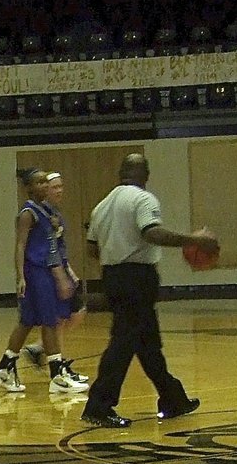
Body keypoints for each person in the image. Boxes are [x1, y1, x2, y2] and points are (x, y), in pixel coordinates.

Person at [82, 153, 218, 427]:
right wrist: (194, 240)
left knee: (148, 344)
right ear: (145, 175)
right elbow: (151, 233)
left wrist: (117, 252)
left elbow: (92, 249)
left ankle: (173, 398)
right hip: (137, 278)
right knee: (123, 342)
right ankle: (98, 406)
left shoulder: (102, 205)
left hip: (113, 274)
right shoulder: (143, 199)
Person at [0, 168, 85, 394]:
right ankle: (57, 375)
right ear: (29, 188)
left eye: (45, 182)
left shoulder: (47, 210)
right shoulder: (28, 213)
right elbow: (20, 245)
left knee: (27, 321)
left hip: (45, 271)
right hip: (37, 272)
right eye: (39, 182)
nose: (44, 186)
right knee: (50, 321)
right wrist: (20, 275)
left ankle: (5, 369)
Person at [23, 171, 89, 368]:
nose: (59, 190)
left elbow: (58, 245)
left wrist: (68, 269)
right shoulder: (38, 214)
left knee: (71, 314)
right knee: (57, 318)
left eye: (61, 186)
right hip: (48, 271)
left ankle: (42, 348)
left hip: (60, 267)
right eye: (54, 187)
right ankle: (55, 361)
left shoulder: (54, 213)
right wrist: (60, 274)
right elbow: (44, 247)